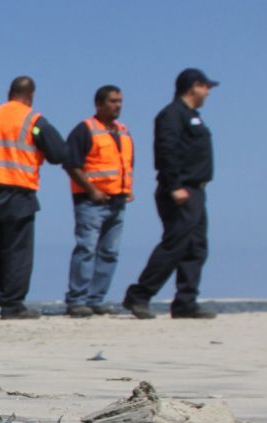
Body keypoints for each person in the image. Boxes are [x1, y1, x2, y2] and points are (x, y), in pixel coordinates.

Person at [121, 68, 218, 319]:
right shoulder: (172, 115)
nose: (208, 92)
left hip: (196, 190)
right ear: (194, 86)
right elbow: (166, 151)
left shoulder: (192, 115)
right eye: (206, 87)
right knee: (175, 244)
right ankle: (139, 295)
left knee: (196, 247)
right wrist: (174, 185)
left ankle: (186, 302)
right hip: (180, 189)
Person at [0, 76, 66, 320]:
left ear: (9, 92)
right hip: (18, 192)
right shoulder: (32, 119)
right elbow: (58, 152)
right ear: (31, 95)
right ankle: (12, 304)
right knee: (18, 251)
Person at [63, 86, 133, 317]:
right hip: (91, 202)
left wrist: (127, 189)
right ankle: (77, 300)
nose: (118, 105)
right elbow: (71, 164)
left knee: (110, 252)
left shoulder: (123, 131)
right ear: (99, 104)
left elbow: (127, 164)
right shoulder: (85, 130)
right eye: (113, 101)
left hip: (117, 201)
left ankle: (96, 298)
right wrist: (91, 190)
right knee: (86, 249)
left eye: (120, 101)